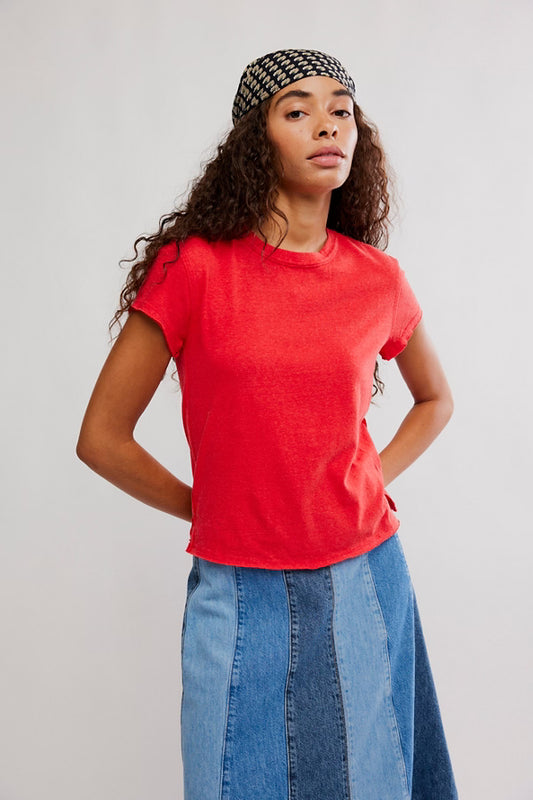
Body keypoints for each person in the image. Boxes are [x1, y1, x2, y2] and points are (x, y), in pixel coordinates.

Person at [77, 48, 459, 799]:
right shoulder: (193, 268)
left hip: (364, 575)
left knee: (374, 782)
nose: (328, 124)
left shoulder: (376, 278)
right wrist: (208, 505)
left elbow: (434, 400)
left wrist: (365, 476)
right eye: (297, 109)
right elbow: (102, 438)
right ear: (257, 138)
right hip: (237, 587)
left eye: (341, 110)